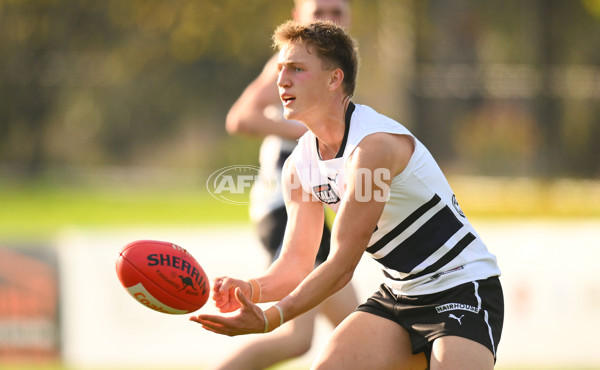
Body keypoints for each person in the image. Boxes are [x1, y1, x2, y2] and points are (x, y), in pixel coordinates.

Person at [192, 20, 504, 369]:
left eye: (296, 69)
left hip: (462, 290)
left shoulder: (372, 148)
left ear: (334, 79)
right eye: (281, 69)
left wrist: (271, 318)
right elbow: (297, 262)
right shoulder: (299, 165)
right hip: (401, 296)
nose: (282, 80)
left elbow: (341, 265)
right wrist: (249, 290)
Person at [218, 1, 359, 369]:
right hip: (283, 207)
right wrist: (301, 128)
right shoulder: (288, 62)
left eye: (338, 11)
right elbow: (240, 118)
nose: (329, 19)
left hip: (310, 208)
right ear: (298, 18)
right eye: (319, 11)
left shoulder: (337, 68)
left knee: (358, 329)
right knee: (298, 337)